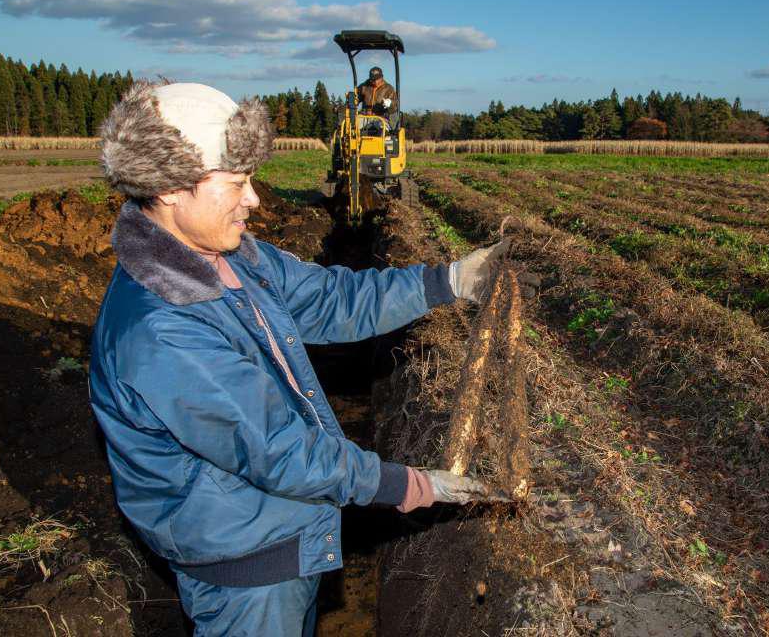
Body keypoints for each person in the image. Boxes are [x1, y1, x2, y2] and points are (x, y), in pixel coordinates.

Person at [90, 82, 508, 636]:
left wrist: (447, 280)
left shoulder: (234, 257)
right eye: (235, 183)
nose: (254, 199)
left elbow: (331, 299)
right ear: (170, 188)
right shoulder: (163, 329)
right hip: (245, 566)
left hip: (283, 532)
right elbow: (279, 450)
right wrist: (408, 485)